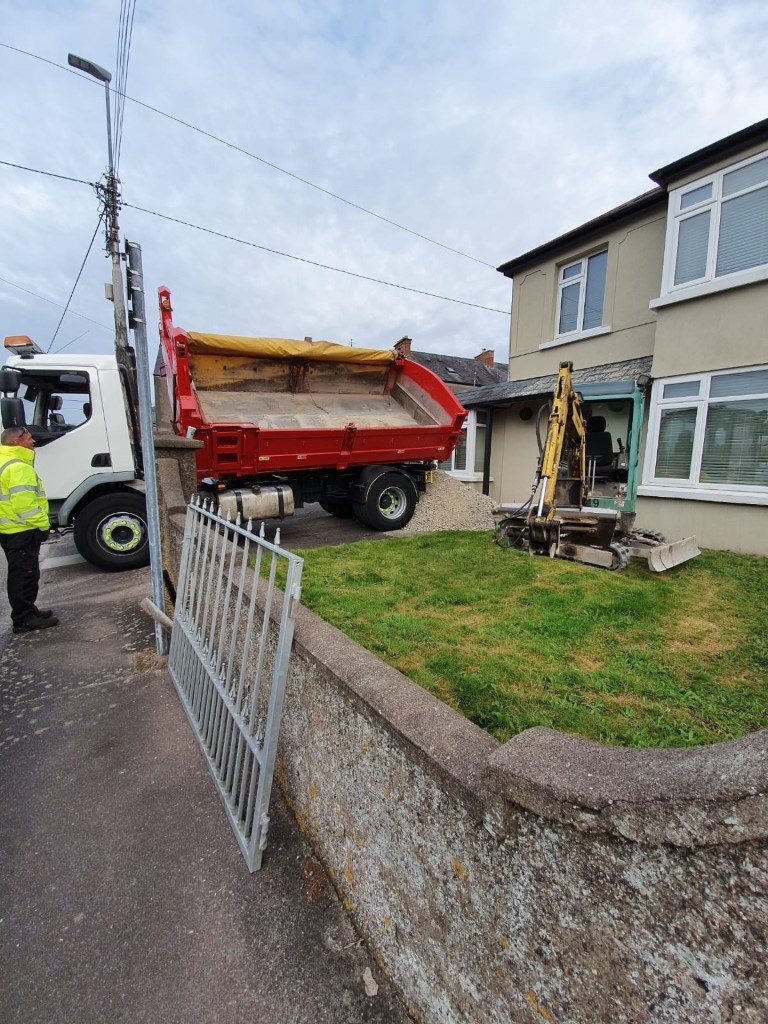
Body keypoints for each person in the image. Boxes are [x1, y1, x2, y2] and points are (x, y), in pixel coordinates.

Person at [0, 426, 58, 633]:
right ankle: (24, 619)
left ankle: (28, 611)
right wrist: (43, 525)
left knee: (21, 573)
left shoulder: (4, 461)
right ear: (17, 442)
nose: (33, 441)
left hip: (9, 530)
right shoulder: (18, 467)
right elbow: (24, 506)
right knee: (25, 575)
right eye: (29, 437)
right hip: (22, 530)